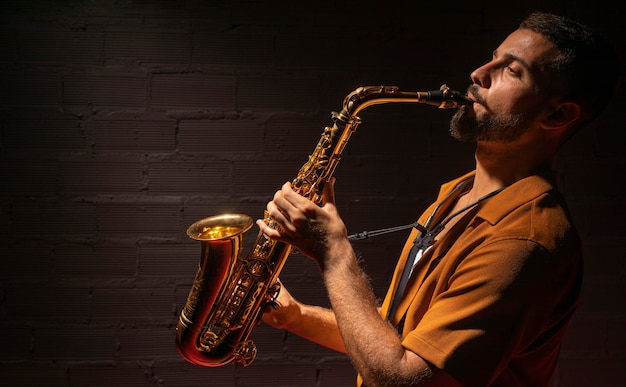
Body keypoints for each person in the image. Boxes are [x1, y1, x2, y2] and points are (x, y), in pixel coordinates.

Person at [258, 12, 619, 386]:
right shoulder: (460, 193)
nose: (479, 72)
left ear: (558, 113)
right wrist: (295, 315)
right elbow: (399, 338)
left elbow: (403, 378)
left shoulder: (523, 241)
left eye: (512, 71)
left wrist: (333, 253)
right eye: (492, 57)